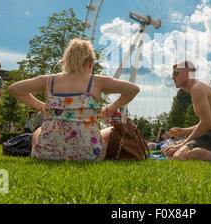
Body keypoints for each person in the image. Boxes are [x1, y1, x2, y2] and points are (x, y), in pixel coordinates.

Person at [8, 38, 140, 162]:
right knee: (110, 131)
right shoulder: (97, 81)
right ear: (90, 62)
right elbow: (133, 89)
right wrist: (112, 108)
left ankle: (40, 149)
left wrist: (40, 105)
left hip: (46, 153)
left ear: (67, 60)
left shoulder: (48, 80)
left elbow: (14, 89)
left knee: (39, 130)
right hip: (88, 153)